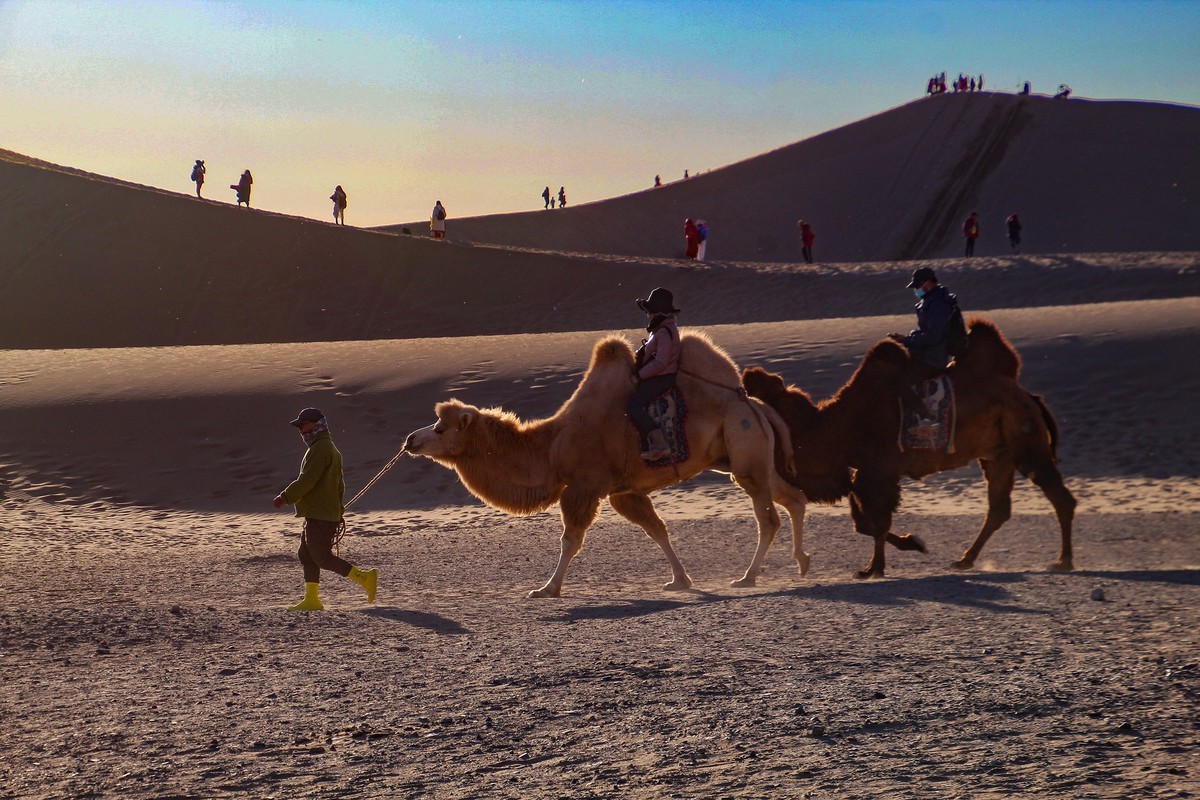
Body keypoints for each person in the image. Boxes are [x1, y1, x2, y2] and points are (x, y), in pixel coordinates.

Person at [273, 407, 377, 611]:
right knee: (306, 554)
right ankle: (312, 600)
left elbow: (307, 480)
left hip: (321, 514)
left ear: (316, 424)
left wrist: (285, 497)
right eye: (299, 427)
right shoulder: (323, 448)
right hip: (319, 513)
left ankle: (364, 578)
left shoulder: (321, 449)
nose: (301, 430)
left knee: (320, 556)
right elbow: (340, 485)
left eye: (304, 425)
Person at [627, 289, 681, 461]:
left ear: (658, 313)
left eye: (649, 311)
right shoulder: (661, 330)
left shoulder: (664, 332)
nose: (647, 315)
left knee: (633, 404)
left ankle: (658, 442)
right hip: (659, 375)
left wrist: (640, 376)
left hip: (662, 377)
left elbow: (661, 363)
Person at [888, 267, 959, 387]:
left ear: (928, 283)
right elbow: (927, 332)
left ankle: (917, 407)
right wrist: (907, 338)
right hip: (926, 357)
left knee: (899, 383)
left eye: (917, 286)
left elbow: (934, 336)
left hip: (933, 361)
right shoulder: (930, 302)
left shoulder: (938, 304)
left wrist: (907, 340)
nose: (916, 290)